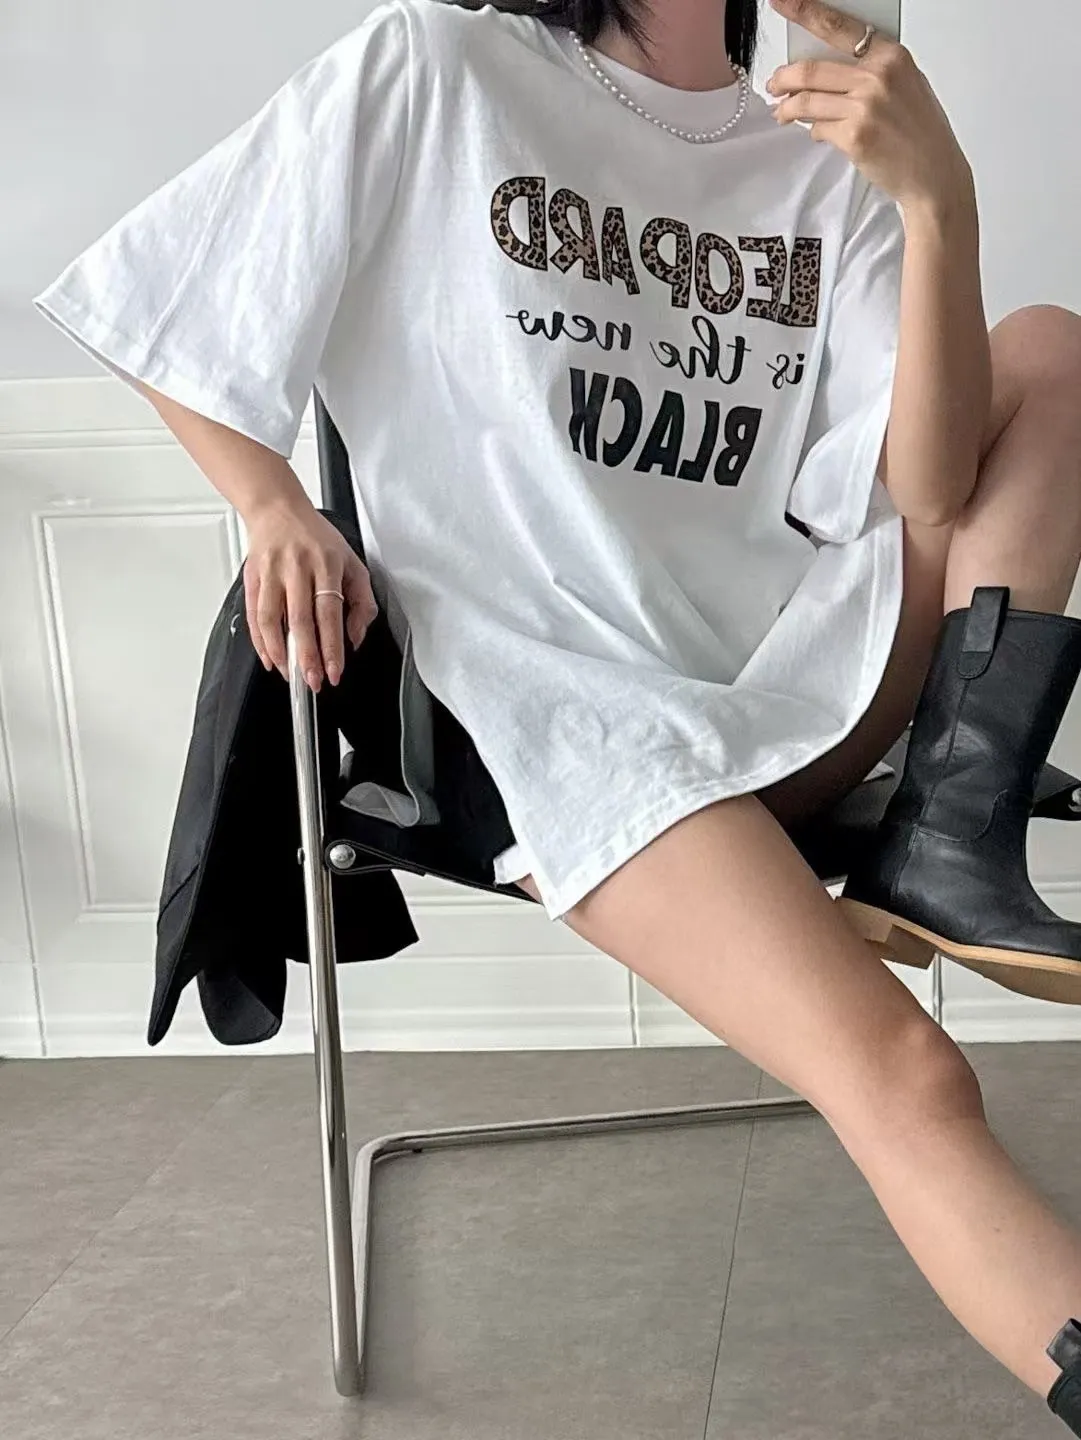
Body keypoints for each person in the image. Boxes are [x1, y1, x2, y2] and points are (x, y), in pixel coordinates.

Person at [30, 0, 1081, 1424]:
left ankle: (952, 842)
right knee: (907, 1074)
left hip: (800, 675)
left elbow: (933, 492)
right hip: (557, 706)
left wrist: (936, 199)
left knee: (1052, 347)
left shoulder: (822, 146)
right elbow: (176, 296)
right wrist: (273, 505)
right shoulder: (439, 66)